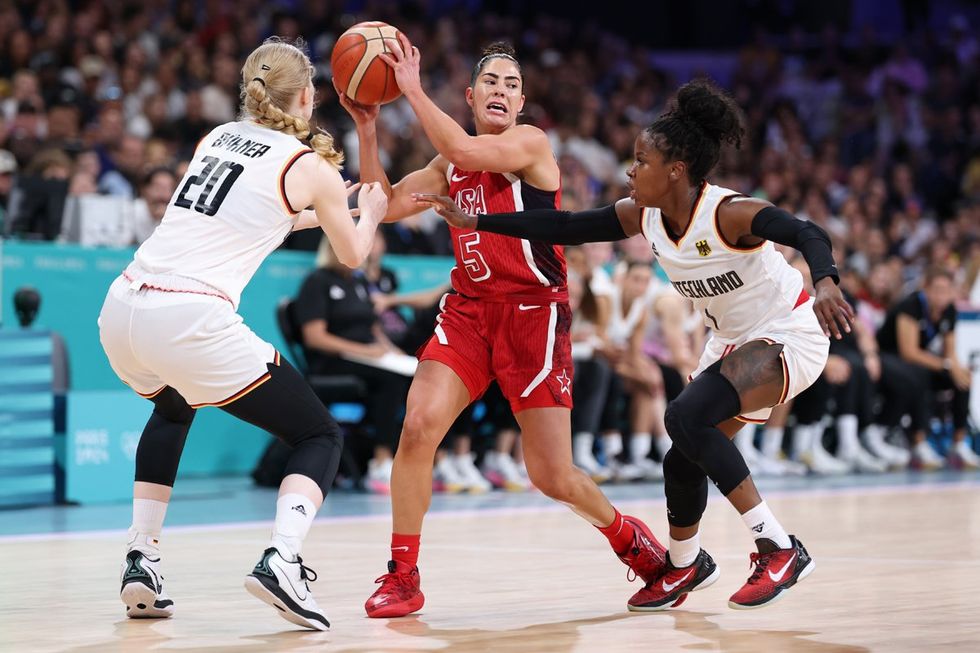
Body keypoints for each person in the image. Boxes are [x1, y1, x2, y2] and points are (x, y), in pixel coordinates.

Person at [418, 78, 854, 611]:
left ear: (675, 171)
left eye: (641, 161)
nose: (630, 170)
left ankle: (778, 546)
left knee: (687, 417)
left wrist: (828, 280)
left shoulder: (728, 213)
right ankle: (683, 565)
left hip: (790, 330)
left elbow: (807, 232)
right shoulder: (642, 216)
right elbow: (565, 225)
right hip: (732, 339)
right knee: (681, 460)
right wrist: (481, 220)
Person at [339, 38, 667, 618]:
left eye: (511, 84)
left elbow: (463, 147)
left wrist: (410, 88)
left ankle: (631, 542)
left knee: (552, 475)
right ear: (470, 96)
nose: (501, 90)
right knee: (416, 429)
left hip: (533, 314)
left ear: (520, 104)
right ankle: (403, 576)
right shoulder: (446, 164)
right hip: (468, 310)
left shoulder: (530, 143)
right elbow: (383, 206)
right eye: (491, 81)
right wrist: (368, 129)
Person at [97, 37, 387, 631]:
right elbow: (354, 255)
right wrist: (372, 212)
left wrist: (337, 205)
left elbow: (252, 213)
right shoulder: (309, 166)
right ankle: (282, 559)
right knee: (318, 433)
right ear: (308, 95)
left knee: (174, 409)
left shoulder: (216, 139)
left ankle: (140, 559)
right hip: (188, 316)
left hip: (124, 305)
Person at [295, 236, 412, 493]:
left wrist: (394, 353)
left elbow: (373, 326)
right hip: (331, 362)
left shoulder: (358, 282)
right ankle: (381, 461)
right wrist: (365, 351)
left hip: (366, 357)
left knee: (413, 376)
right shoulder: (317, 281)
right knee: (388, 381)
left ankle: (421, 458)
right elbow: (315, 337)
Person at [876, 267, 977, 469]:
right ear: (926, 289)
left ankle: (959, 444)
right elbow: (908, 352)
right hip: (888, 358)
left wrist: (956, 369)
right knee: (920, 375)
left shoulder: (949, 309)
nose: (942, 295)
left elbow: (950, 351)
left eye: (947, 290)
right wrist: (947, 365)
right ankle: (918, 443)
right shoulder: (911, 305)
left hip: (917, 362)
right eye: (937, 289)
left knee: (962, 377)